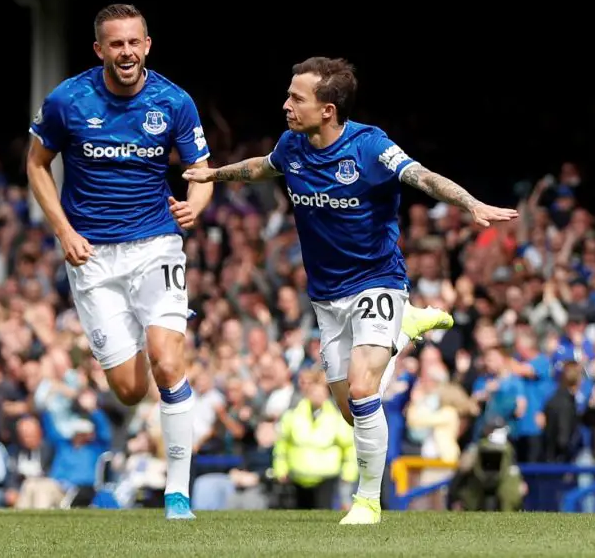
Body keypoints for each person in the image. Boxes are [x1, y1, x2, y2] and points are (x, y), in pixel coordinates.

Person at [183, 56, 518, 524]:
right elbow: (264, 167)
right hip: (327, 297)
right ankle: (405, 327)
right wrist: (215, 175)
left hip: (377, 281)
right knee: (351, 411)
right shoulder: (292, 145)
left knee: (363, 389)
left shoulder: (370, 146)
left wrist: (470, 202)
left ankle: (367, 502)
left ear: (328, 110)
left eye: (296, 98)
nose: (286, 105)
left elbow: (422, 176)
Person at [27, 3, 213, 520]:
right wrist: (63, 230)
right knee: (130, 391)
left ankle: (178, 493)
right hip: (91, 255)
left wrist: (195, 206)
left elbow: (200, 171)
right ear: (99, 50)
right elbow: (37, 165)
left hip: (156, 244)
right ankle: (131, 354)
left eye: (134, 42)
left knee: (168, 360)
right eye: (116, 44)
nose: (126, 52)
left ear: (147, 45)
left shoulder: (174, 102)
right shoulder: (67, 100)